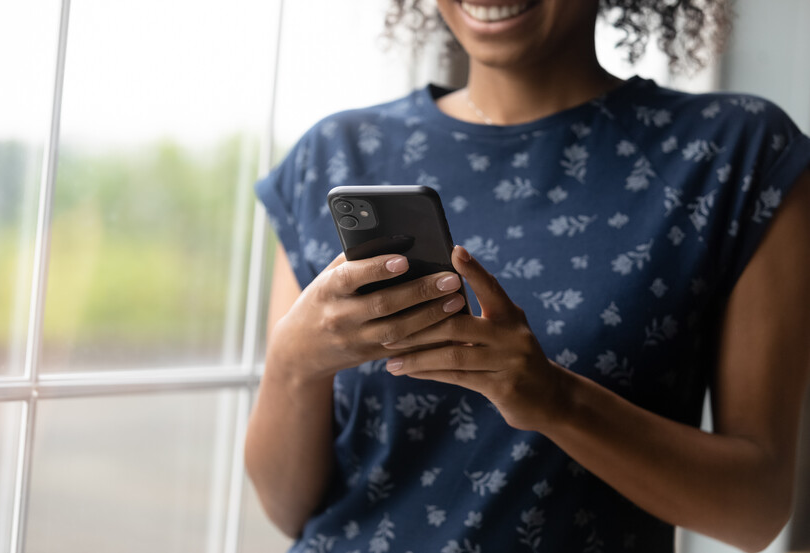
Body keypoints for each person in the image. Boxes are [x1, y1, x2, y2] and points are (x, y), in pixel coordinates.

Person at [245, 1, 810, 551]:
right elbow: (288, 507)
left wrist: (557, 399)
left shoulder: (737, 155)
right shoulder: (336, 155)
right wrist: (294, 362)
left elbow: (754, 512)